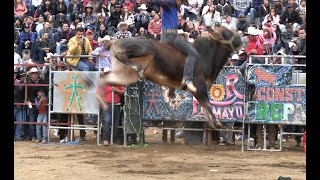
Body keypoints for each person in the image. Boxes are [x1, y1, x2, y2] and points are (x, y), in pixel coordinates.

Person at [148, 0, 197, 92]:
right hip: (169, 35)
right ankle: (187, 79)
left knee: (164, 58)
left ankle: (160, 77)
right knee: (192, 53)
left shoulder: (173, 6)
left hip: (171, 35)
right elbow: (161, 3)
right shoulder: (170, 3)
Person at [96, 67, 125, 146]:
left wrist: (116, 90)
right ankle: (105, 139)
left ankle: (113, 139)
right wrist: (103, 104)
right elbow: (98, 95)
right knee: (107, 121)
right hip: (107, 104)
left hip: (117, 105)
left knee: (115, 124)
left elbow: (123, 92)